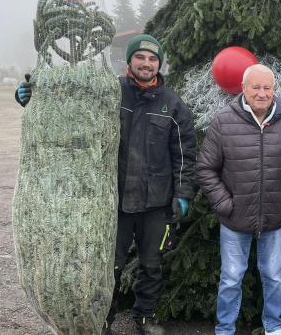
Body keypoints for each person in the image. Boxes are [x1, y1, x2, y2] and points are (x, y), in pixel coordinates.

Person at [16, 34, 198, 335]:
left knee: (151, 265)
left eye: (153, 59)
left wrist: (183, 193)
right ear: (129, 62)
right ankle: (103, 320)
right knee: (106, 266)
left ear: (159, 65)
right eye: (141, 57)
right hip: (114, 201)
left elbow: (184, 153)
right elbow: (69, 107)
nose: (147, 63)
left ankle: (145, 317)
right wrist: (34, 95)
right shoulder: (109, 92)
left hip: (157, 202)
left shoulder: (173, 105)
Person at [196, 64, 281, 335]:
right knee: (231, 278)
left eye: (267, 87)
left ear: (274, 90)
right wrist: (224, 204)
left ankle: (274, 327)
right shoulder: (223, 121)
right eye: (255, 87)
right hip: (234, 220)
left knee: (274, 277)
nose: (262, 93)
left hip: (273, 218)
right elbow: (205, 168)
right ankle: (225, 329)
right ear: (243, 89)